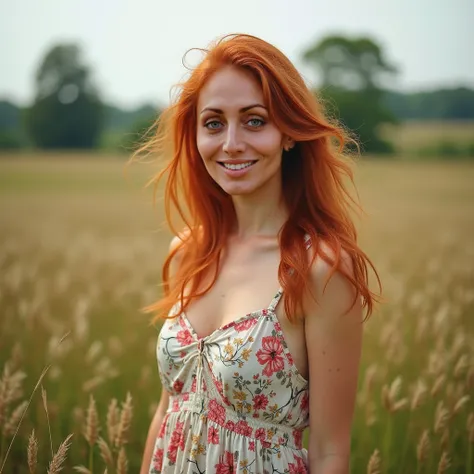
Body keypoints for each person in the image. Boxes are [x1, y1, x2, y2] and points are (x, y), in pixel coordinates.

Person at [136, 33, 381, 474]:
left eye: (254, 121)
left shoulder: (319, 270)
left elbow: (329, 450)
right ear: (195, 136)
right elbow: (167, 411)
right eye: (214, 123)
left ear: (289, 133)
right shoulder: (186, 253)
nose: (231, 143)